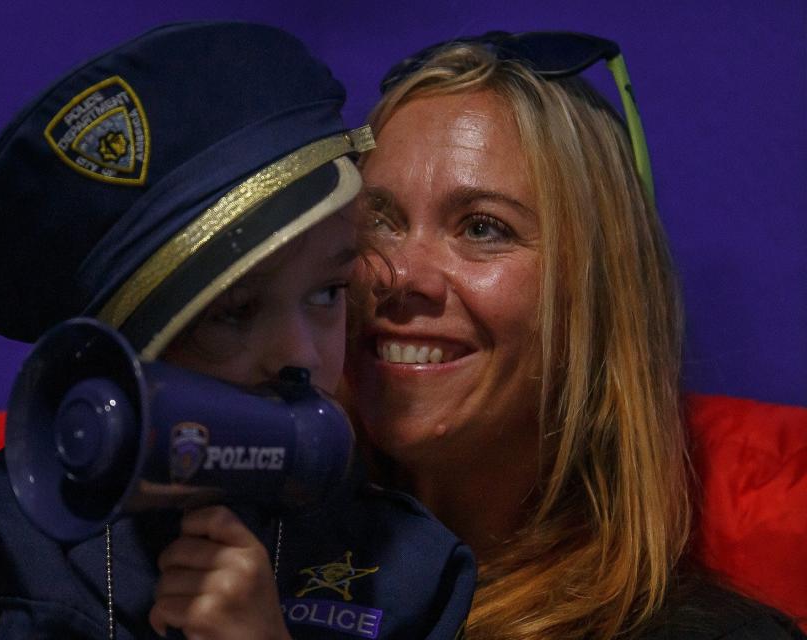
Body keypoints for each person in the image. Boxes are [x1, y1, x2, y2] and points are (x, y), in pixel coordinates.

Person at [0, 23, 475, 639]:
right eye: (232, 312)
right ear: (122, 344)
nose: (299, 353)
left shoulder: (410, 570)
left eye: (326, 293)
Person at [343, 31, 806, 639]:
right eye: (379, 221)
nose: (400, 274)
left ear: (599, 295)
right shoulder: (242, 569)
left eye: (482, 228)